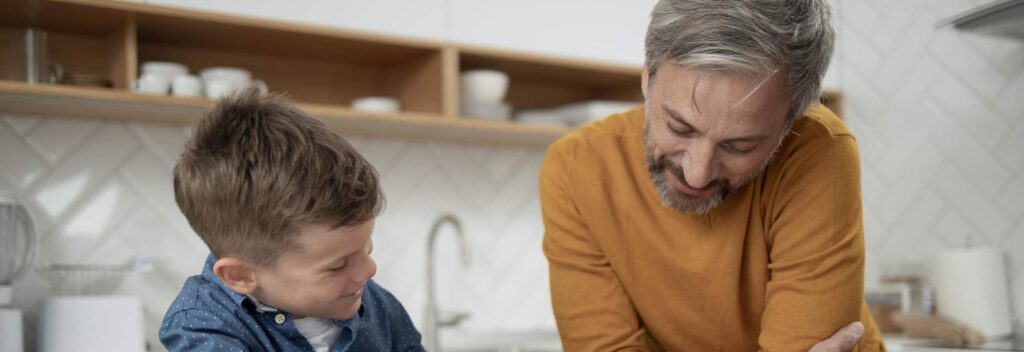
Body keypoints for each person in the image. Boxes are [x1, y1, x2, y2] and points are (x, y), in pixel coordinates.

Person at [540, 0, 885, 351]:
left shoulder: (818, 150)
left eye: (740, 146)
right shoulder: (576, 167)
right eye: (679, 127)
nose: (697, 174)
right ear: (648, 77)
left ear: (790, 122)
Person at [159, 91, 424, 351]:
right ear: (240, 276)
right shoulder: (202, 325)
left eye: (367, 249)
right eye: (338, 265)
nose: (368, 270)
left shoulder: (376, 304)